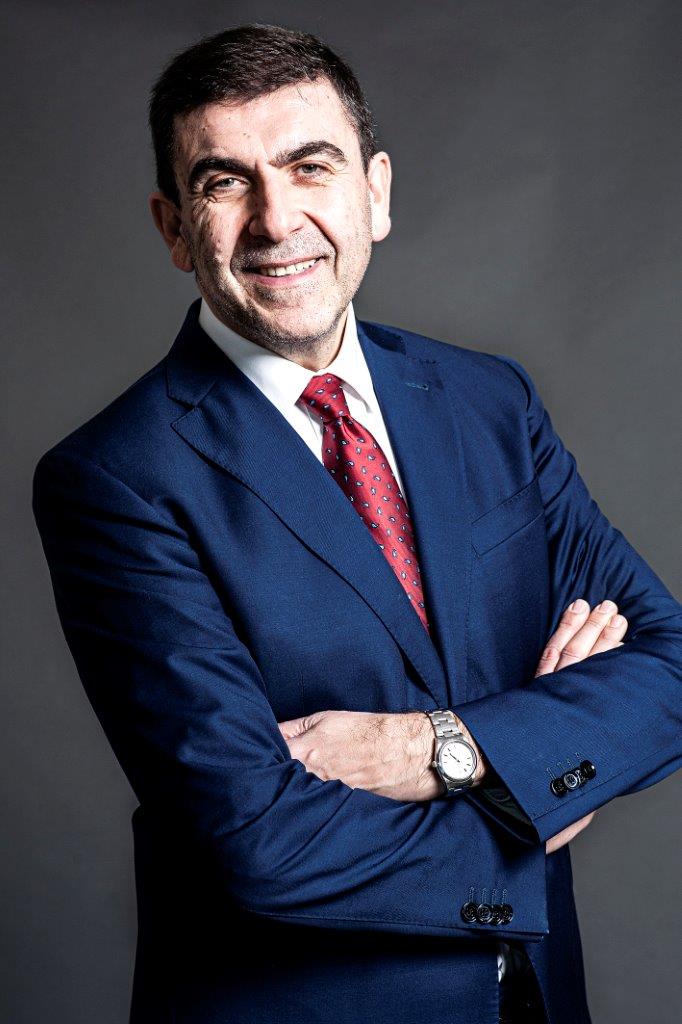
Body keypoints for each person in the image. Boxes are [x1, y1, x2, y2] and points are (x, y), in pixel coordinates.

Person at [31, 23, 681, 1024]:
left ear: (375, 191)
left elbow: (667, 668)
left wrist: (440, 748)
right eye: (225, 183)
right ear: (173, 228)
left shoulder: (489, 402)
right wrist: (536, 788)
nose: (275, 219)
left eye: (310, 166)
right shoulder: (115, 479)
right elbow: (261, 841)